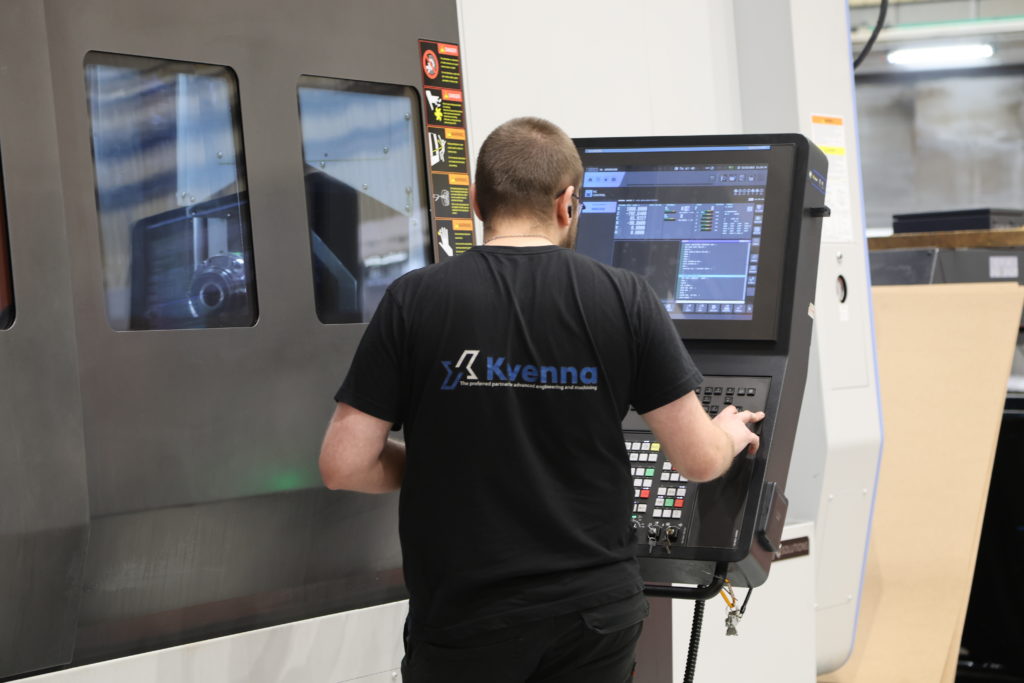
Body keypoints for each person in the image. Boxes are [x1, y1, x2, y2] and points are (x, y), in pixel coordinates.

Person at [319, 116, 764, 682]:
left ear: (476, 201)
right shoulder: (625, 297)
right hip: (595, 615)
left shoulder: (414, 299)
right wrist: (728, 434)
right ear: (567, 203)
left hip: (466, 619)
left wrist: (441, 461)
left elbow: (344, 464)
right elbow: (698, 461)